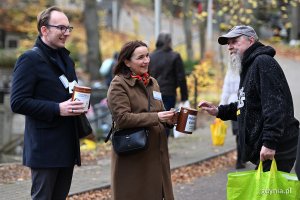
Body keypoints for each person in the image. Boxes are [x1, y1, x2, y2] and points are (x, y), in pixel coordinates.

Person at [198, 25, 299, 173]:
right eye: (228, 43)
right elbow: (246, 105)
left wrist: (270, 143)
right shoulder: (249, 66)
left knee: (270, 195)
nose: (229, 47)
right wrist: (219, 111)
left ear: (251, 40)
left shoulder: (263, 62)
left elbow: (275, 107)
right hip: (268, 149)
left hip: (277, 148)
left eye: (234, 41)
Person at [10, 6, 85, 199]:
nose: (66, 33)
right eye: (61, 28)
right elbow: (17, 102)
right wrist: (58, 108)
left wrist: (82, 101)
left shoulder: (67, 59)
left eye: (68, 28)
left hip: (67, 145)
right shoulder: (29, 59)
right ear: (44, 30)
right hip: (45, 149)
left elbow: (70, 90)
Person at [107, 40, 175, 200]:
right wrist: (157, 117)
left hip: (157, 155)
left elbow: (159, 112)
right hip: (134, 156)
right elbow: (122, 119)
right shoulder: (118, 84)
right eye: (140, 57)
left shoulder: (153, 83)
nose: (146, 61)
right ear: (127, 62)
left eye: (147, 56)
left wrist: (169, 119)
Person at [149, 32, 188, 138]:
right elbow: (181, 78)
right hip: (169, 93)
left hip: (153, 93)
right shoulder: (175, 56)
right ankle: (163, 146)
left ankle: (156, 147)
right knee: (167, 120)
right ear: (169, 42)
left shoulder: (151, 56)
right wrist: (184, 97)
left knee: (156, 119)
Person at [219, 61, 245, 169]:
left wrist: (221, 106)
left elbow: (226, 90)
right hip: (241, 104)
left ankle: (240, 159)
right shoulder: (246, 70)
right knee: (242, 132)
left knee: (239, 134)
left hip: (232, 105)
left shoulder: (230, 72)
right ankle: (242, 158)